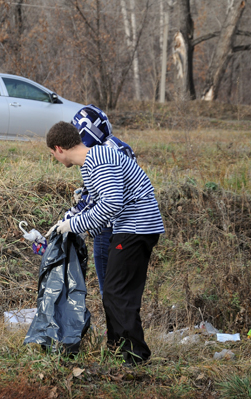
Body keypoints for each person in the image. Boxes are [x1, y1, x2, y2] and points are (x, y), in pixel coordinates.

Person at [46, 121, 164, 366]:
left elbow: (111, 204)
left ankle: (135, 355)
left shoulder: (99, 160)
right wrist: (68, 222)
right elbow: (96, 204)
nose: (54, 159)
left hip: (136, 228)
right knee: (118, 291)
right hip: (131, 227)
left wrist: (75, 225)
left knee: (116, 291)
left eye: (51, 154)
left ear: (59, 148)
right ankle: (118, 348)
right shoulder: (92, 162)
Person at [48, 105, 136, 304]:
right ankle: (124, 331)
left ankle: (117, 333)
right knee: (125, 291)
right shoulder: (119, 146)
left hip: (111, 229)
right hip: (131, 230)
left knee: (111, 292)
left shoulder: (98, 155)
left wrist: (66, 224)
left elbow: (97, 202)